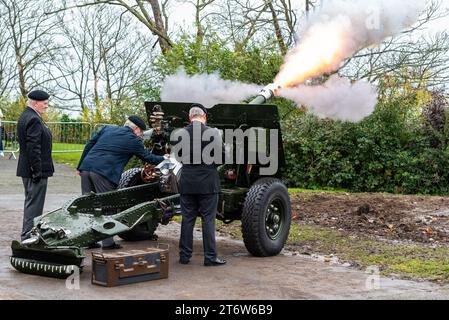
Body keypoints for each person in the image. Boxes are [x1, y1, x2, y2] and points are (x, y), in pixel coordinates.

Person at [77, 115, 167, 249]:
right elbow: (147, 157)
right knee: (108, 207)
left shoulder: (107, 128)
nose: (141, 134)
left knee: (88, 206)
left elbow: (89, 144)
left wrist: (80, 165)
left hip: (86, 168)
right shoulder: (133, 140)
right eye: (141, 132)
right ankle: (108, 243)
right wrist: (164, 158)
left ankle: (89, 241)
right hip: (104, 173)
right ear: (136, 129)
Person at [177, 104, 227, 266]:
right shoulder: (212, 133)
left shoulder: (180, 134)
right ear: (204, 117)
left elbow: (178, 157)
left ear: (189, 118)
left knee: (187, 219)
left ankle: (184, 256)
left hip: (187, 182)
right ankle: (210, 258)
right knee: (208, 220)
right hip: (208, 184)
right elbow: (222, 159)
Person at [16, 90, 54, 241]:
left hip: (29, 168)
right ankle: (28, 235)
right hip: (34, 170)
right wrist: (37, 171)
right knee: (34, 205)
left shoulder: (28, 115)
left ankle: (30, 233)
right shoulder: (33, 119)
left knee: (32, 202)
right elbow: (33, 148)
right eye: (45, 103)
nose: (46, 106)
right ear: (35, 103)